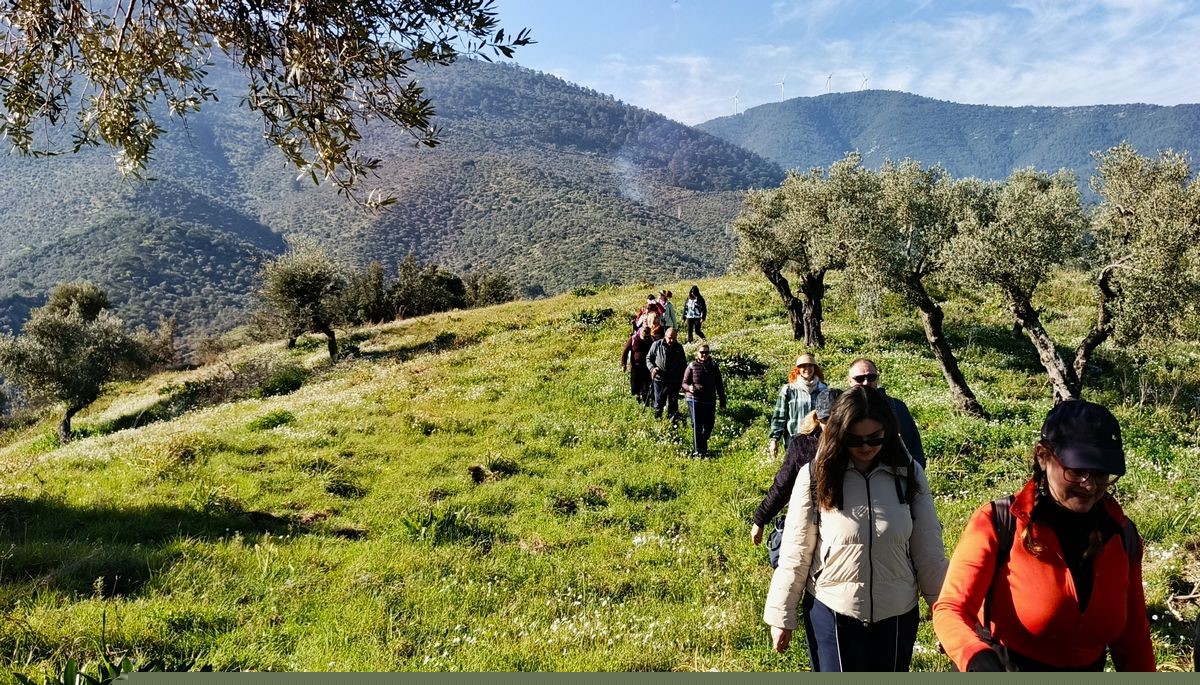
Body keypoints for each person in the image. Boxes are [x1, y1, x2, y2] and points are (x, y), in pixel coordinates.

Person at [933, 400, 1155, 672]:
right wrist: (973, 654)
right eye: (1076, 471)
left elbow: (1133, 639)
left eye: (1101, 473)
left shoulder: (1122, 534)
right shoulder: (998, 522)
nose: (1090, 484)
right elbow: (950, 609)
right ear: (1043, 456)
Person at [763, 385, 947, 671]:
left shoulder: (909, 473)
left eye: (875, 438)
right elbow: (795, 552)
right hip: (832, 609)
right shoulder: (814, 475)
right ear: (838, 434)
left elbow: (929, 551)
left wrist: (945, 614)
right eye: (855, 439)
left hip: (897, 613)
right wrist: (780, 616)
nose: (865, 447)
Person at [751, 388, 842, 567]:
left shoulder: (859, 444)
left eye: (837, 420)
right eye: (825, 420)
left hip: (844, 525)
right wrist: (760, 519)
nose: (831, 426)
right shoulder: (802, 444)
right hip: (810, 522)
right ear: (817, 417)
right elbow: (783, 485)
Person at [846, 358, 925, 468]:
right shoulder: (842, 410)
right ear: (849, 381)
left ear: (877, 379)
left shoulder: (896, 407)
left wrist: (914, 475)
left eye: (871, 377)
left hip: (892, 475)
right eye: (859, 378)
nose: (866, 382)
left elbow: (913, 446)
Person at [768, 354, 828, 458]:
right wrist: (774, 440)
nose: (807, 369)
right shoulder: (789, 390)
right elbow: (779, 416)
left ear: (815, 368)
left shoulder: (824, 389)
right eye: (803, 366)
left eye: (810, 366)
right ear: (798, 369)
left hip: (817, 441)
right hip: (794, 441)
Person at [682, 343, 726, 457]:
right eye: (702, 352)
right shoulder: (692, 366)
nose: (704, 355)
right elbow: (684, 383)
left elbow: (719, 385)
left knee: (709, 425)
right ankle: (698, 451)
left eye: (706, 352)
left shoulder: (714, 366)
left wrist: (722, 401)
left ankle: (702, 443)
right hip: (694, 400)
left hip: (710, 400)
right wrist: (689, 388)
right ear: (697, 353)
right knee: (697, 424)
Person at [646, 327, 687, 422]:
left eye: (674, 338)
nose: (672, 340)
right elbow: (648, 359)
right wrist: (652, 368)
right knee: (659, 403)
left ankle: (673, 423)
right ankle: (657, 421)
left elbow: (683, 364)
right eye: (670, 338)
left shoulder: (679, 347)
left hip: (674, 381)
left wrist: (683, 380)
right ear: (665, 336)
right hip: (659, 380)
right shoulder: (656, 345)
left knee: (673, 403)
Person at [621, 324, 655, 406]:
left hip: (647, 366)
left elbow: (654, 353)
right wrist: (623, 364)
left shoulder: (650, 339)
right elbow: (625, 352)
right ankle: (637, 399)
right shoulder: (633, 339)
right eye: (644, 337)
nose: (645, 339)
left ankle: (646, 402)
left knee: (646, 385)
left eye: (647, 337)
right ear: (640, 334)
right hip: (635, 366)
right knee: (635, 384)